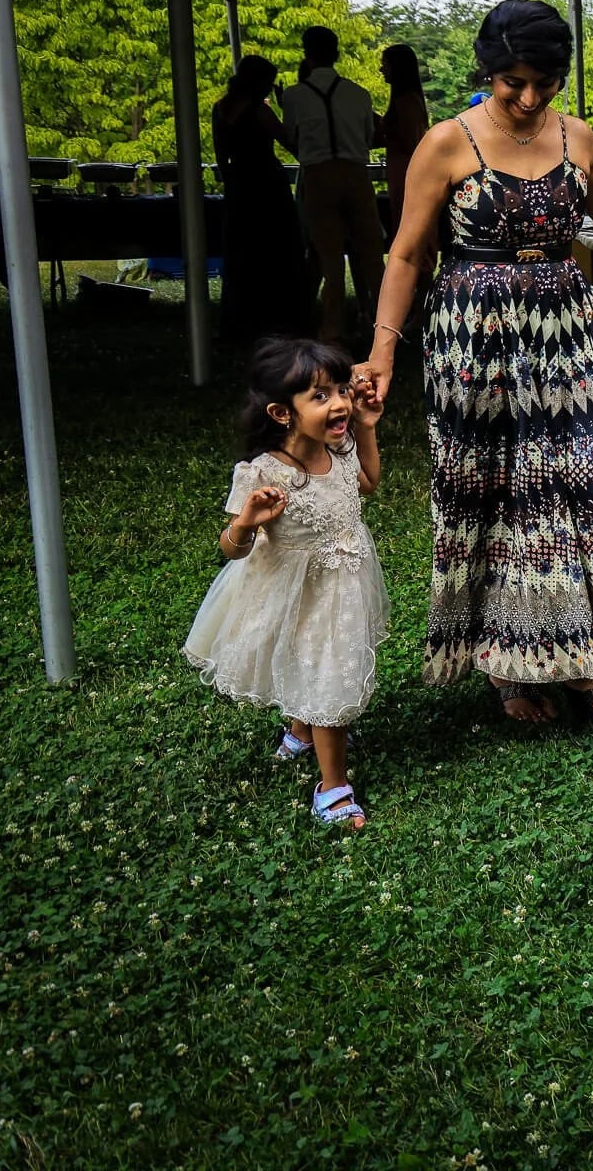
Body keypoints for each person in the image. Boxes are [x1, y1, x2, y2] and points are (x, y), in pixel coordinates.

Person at [355, 0, 593, 734]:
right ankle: (508, 664)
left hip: (567, 330)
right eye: (513, 83)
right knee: (494, 490)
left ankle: (586, 661)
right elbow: (406, 254)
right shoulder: (446, 143)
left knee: (588, 477)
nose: (530, 98)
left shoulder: (579, 138)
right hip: (473, 338)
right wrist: (382, 352)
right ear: (488, 73)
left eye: (545, 82)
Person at [184, 337, 387, 830]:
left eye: (341, 390)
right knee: (329, 677)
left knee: (320, 664)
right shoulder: (263, 472)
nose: (340, 403)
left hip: (342, 583)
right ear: (282, 413)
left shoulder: (340, 446)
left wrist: (366, 427)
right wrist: (246, 522)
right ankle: (332, 787)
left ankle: (302, 729)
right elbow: (231, 549)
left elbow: (367, 482)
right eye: (320, 396)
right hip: (292, 588)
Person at [280, 26, 384, 345]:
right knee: (372, 255)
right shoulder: (359, 93)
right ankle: (386, 324)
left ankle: (332, 330)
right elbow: (368, 137)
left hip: (318, 176)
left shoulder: (293, 96)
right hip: (356, 174)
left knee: (330, 258)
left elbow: (292, 137)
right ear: (337, 53)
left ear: (307, 54)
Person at [211, 55, 312, 342]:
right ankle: (279, 317)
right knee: (277, 250)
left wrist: (231, 181)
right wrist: (286, 110)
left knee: (243, 252)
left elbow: (221, 155)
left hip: (239, 183)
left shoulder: (220, 109)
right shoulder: (259, 110)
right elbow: (290, 142)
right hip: (267, 182)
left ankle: (242, 319)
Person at [378, 43, 434, 326]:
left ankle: (422, 310)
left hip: (407, 182)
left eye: (385, 64)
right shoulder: (406, 102)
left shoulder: (406, 103)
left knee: (415, 244)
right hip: (401, 180)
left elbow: (413, 144)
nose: (381, 69)